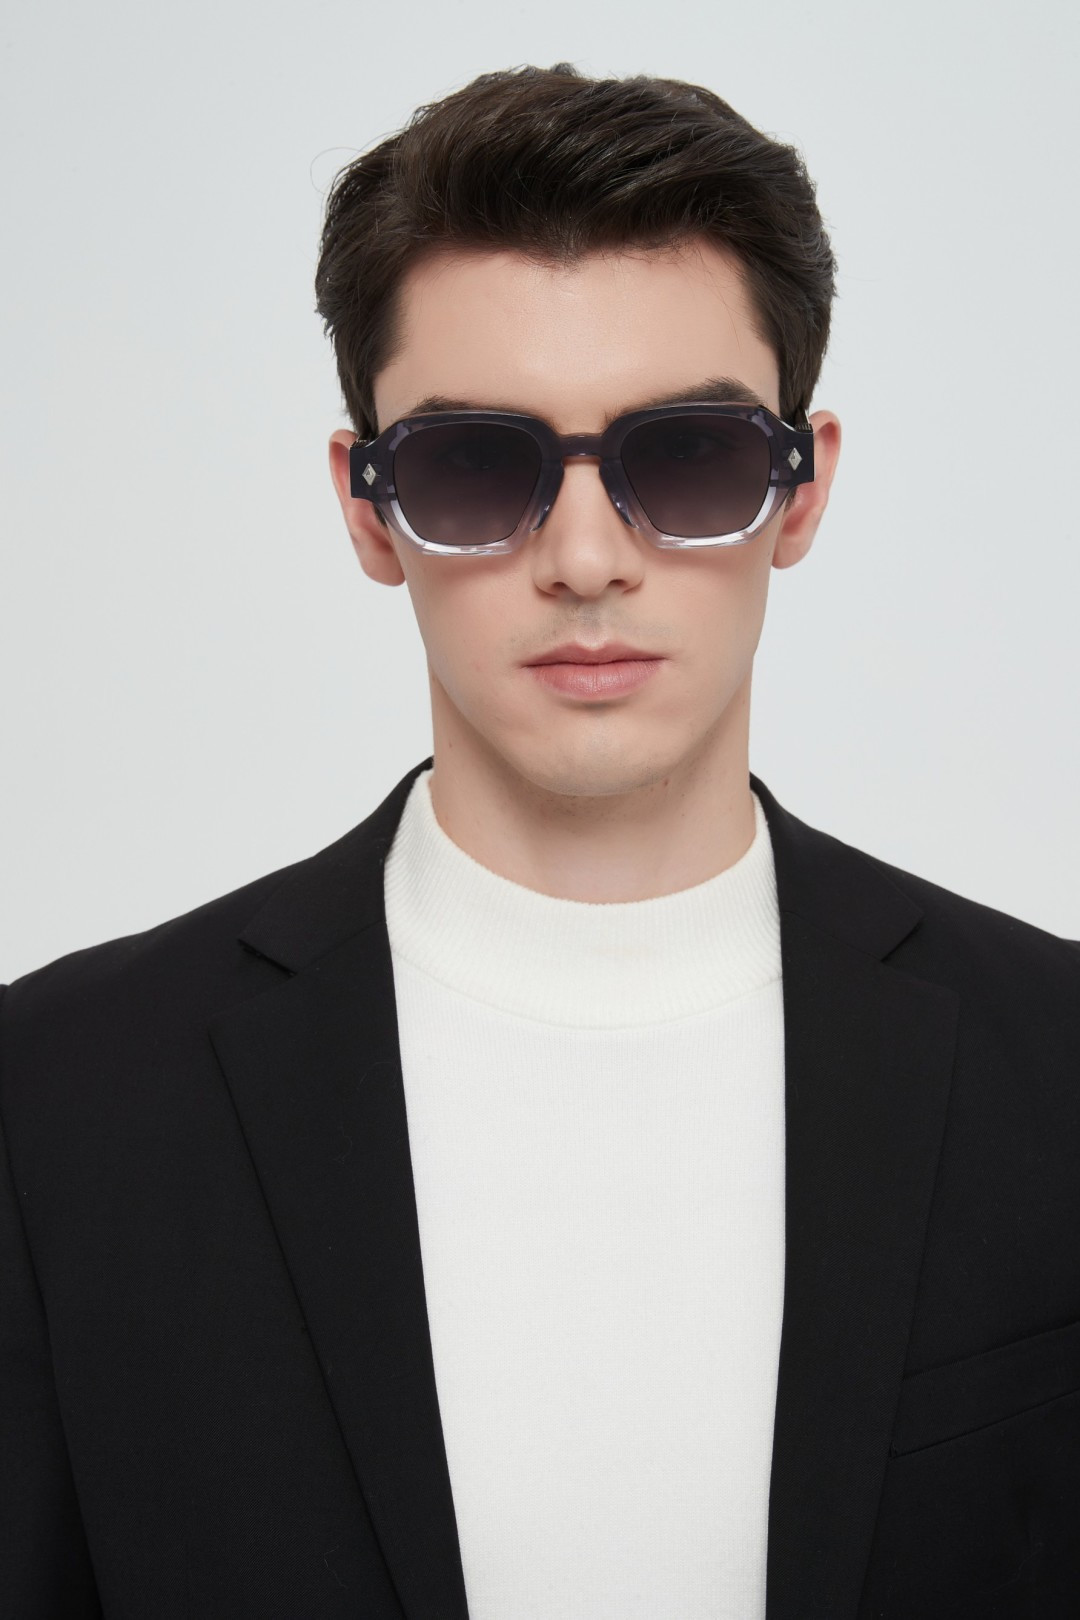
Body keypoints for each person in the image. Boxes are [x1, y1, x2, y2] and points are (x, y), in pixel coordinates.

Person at [1, 61, 1077, 1620]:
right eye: (474, 467)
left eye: (689, 457)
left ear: (801, 490)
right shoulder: (59, 1102)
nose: (585, 559)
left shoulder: (1056, 1066)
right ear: (367, 507)